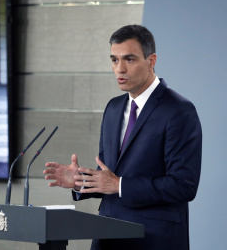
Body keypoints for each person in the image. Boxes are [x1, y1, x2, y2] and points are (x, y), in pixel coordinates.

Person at [43, 25, 202, 250]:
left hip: (153, 239)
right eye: (114, 60)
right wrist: (82, 182)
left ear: (151, 60)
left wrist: (120, 185)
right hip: (107, 234)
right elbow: (108, 177)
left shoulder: (179, 110)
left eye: (129, 59)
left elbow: (183, 185)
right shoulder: (113, 108)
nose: (120, 69)